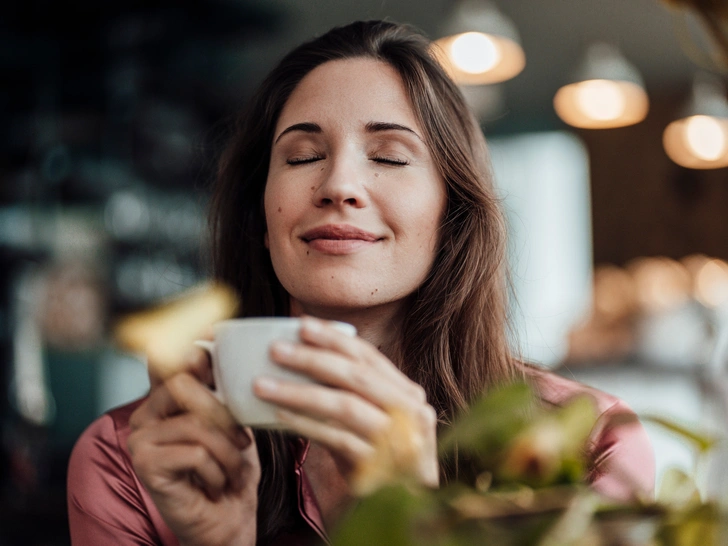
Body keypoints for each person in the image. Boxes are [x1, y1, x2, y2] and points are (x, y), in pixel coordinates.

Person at [67, 20, 655, 546]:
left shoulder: (589, 444)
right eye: (301, 157)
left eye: (391, 157)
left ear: (450, 218)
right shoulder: (129, 460)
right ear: (262, 221)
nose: (339, 184)